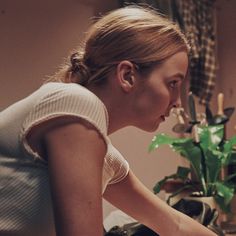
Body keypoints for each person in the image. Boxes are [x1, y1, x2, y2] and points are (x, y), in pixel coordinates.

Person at [0, 5, 216, 236]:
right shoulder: (75, 101)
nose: (177, 103)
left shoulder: (101, 153)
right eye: (173, 83)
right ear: (127, 75)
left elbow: (175, 225)